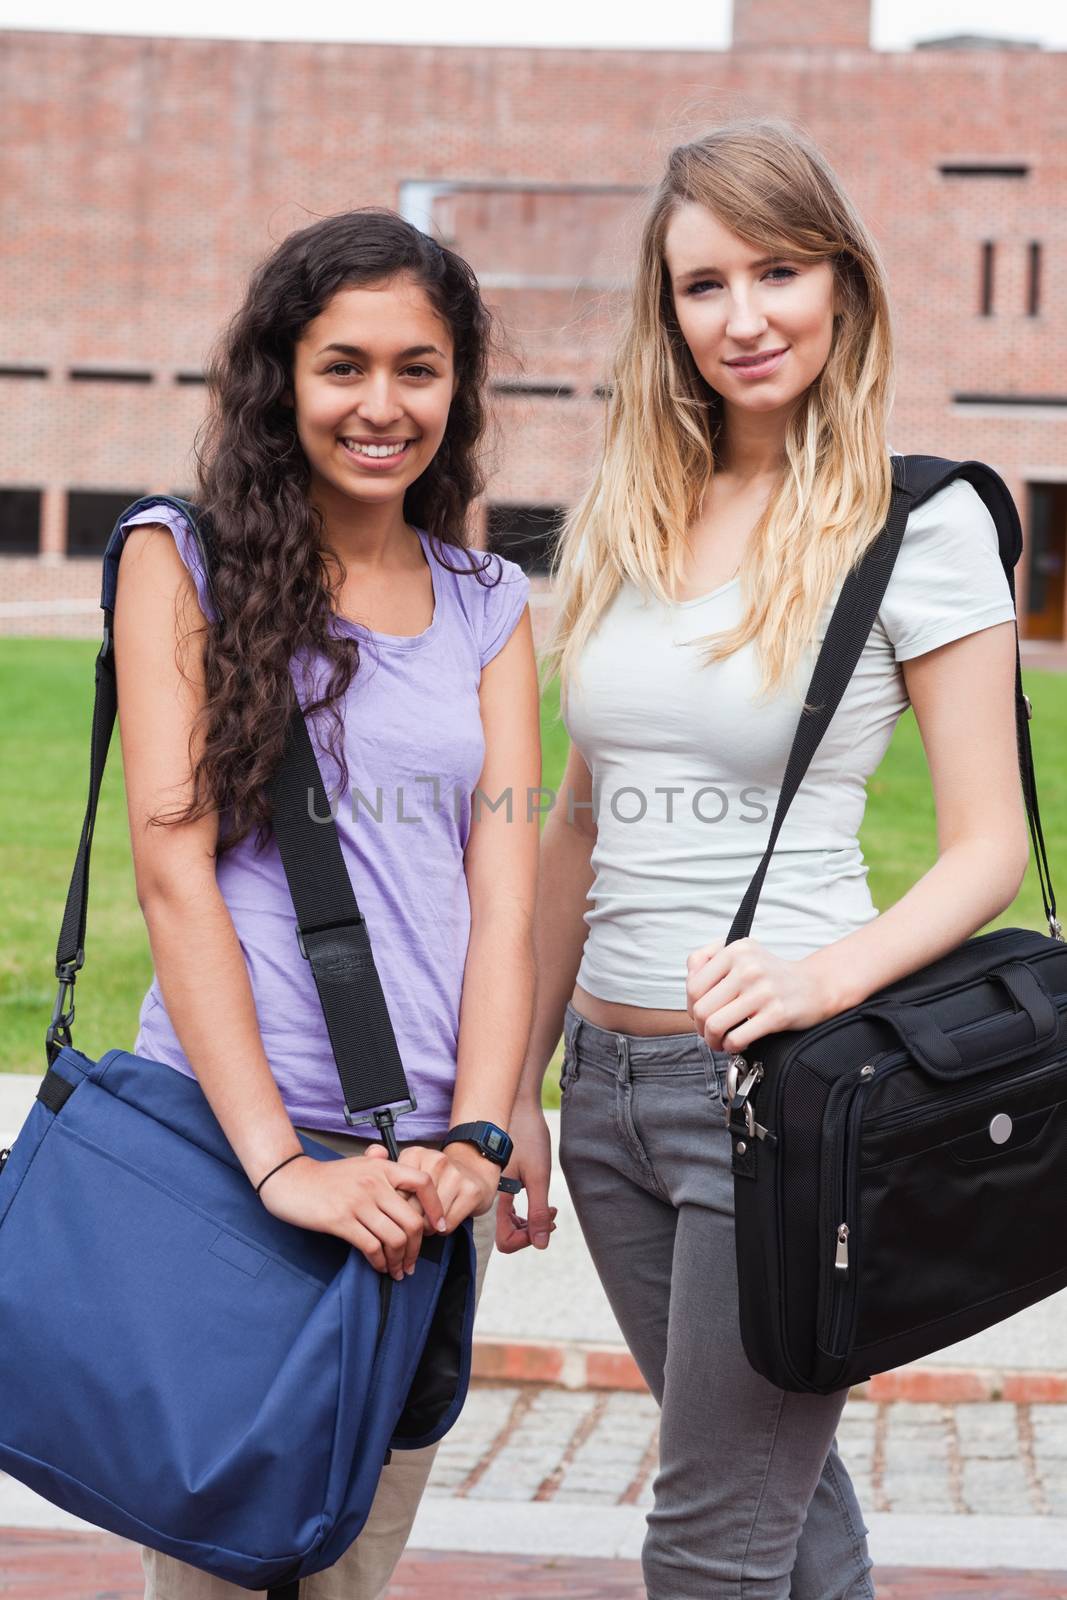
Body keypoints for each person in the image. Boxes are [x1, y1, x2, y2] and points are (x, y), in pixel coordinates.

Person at [499, 119, 1028, 1599]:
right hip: (606, 1096)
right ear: (662, 310)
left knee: (708, 1542)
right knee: (784, 1513)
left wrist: (816, 980)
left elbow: (986, 845)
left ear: (843, 285)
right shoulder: (630, 509)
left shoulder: (919, 526)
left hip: (787, 1099)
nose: (744, 318)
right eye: (703, 283)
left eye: (779, 270)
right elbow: (578, 826)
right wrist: (523, 1095)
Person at [112, 210, 541, 1599]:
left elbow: (507, 882)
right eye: (342, 365)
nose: (381, 405)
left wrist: (478, 1132)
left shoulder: (488, 600)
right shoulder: (179, 560)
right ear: (279, 379)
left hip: (422, 1181)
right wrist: (280, 1167)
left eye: (418, 369)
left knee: (354, 1571)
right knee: (219, 1569)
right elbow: (173, 870)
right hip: (240, 1156)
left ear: (458, 388)